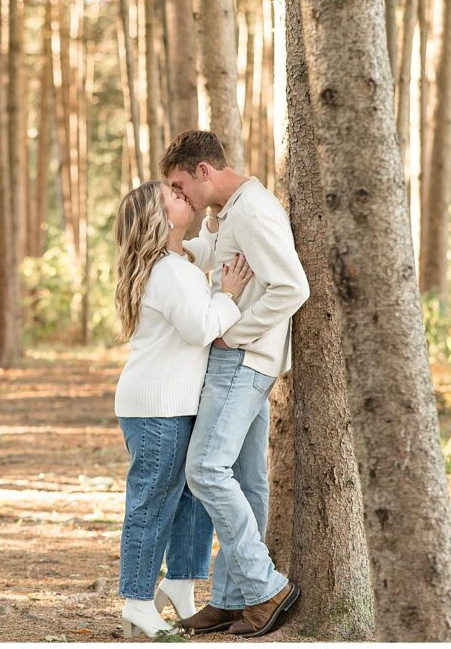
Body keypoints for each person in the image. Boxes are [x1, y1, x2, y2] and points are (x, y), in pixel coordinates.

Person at [161, 130, 310, 637]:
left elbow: (293, 286)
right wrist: (178, 244)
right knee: (246, 481)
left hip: (243, 358)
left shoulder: (253, 211)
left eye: (182, 187)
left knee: (204, 469)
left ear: (204, 171)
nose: (180, 197)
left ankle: (265, 587)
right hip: (243, 358)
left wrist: (234, 332)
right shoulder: (230, 212)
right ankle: (232, 598)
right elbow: (218, 256)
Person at [112, 179, 254, 638]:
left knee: (192, 495)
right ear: (159, 214)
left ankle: (179, 581)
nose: (182, 195)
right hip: (156, 405)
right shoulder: (167, 271)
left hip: (176, 400)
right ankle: (136, 600)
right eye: (173, 195)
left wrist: (217, 219)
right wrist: (228, 294)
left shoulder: (177, 261)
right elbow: (201, 328)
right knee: (153, 501)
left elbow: (206, 252)